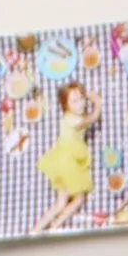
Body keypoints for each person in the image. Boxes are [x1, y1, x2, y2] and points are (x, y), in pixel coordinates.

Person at [32, 79, 99, 232]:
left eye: (81, 99)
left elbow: (81, 104)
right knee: (79, 198)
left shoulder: (69, 116)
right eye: (74, 101)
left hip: (61, 159)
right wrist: (97, 103)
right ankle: (54, 226)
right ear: (65, 106)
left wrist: (84, 94)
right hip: (68, 161)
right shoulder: (73, 119)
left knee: (60, 203)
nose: (81, 103)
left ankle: (36, 229)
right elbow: (92, 118)